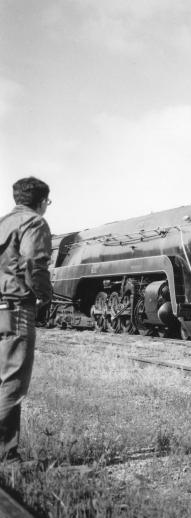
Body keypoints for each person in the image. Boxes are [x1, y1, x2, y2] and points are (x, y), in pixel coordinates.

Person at [0, 177, 52, 464]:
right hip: (16, 307)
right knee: (13, 382)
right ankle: (6, 457)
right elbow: (33, 261)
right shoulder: (35, 222)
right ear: (42, 201)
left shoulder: (2, 222)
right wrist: (43, 296)